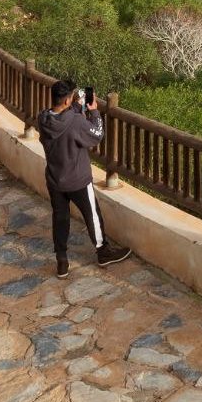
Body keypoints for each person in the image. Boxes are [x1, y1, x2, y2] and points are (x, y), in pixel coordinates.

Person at [35, 79, 132, 278]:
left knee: (60, 218)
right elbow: (96, 136)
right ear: (67, 100)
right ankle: (103, 252)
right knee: (92, 215)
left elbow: (63, 119)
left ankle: (61, 260)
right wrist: (94, 112)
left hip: (55, 179)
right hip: (78, 179)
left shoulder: (43, 118)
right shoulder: (76, 122)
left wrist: (77, 107)